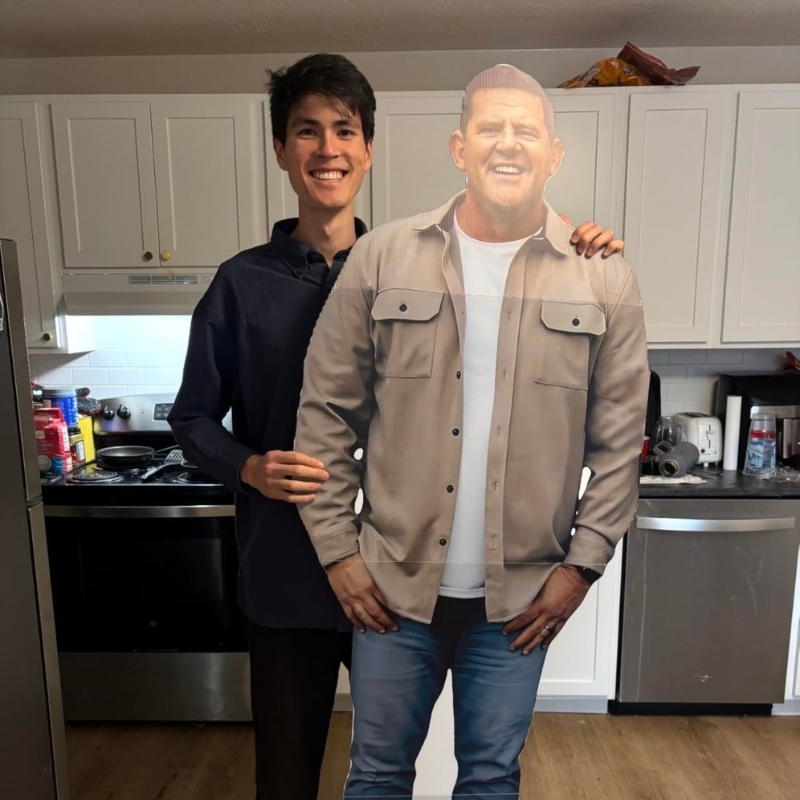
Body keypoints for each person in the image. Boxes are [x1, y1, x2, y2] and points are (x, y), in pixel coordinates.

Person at [168, 53, 625, 800]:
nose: (327, 149)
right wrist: (247, 466)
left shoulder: (419, 264)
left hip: (407, 571)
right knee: (288, 773)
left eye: (344, 130)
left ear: (368, 149)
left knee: (420, 765)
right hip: (291, 574)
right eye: (305, 132)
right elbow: (189, 418)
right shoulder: (239, 284)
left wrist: (583, 248)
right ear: (281, 150)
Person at [294, 63, 650, 798]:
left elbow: (620, 444)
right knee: (377, 777)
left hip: (520, 600)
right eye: (491, 127)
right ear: (460, 148)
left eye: (527, 130)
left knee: (491, 779)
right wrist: (337, 554)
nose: (508, 144)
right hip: (390, 590)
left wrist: (581, 568)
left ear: (554, 154)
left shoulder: (601, 276)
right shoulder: (382, 257)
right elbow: (325, 416)